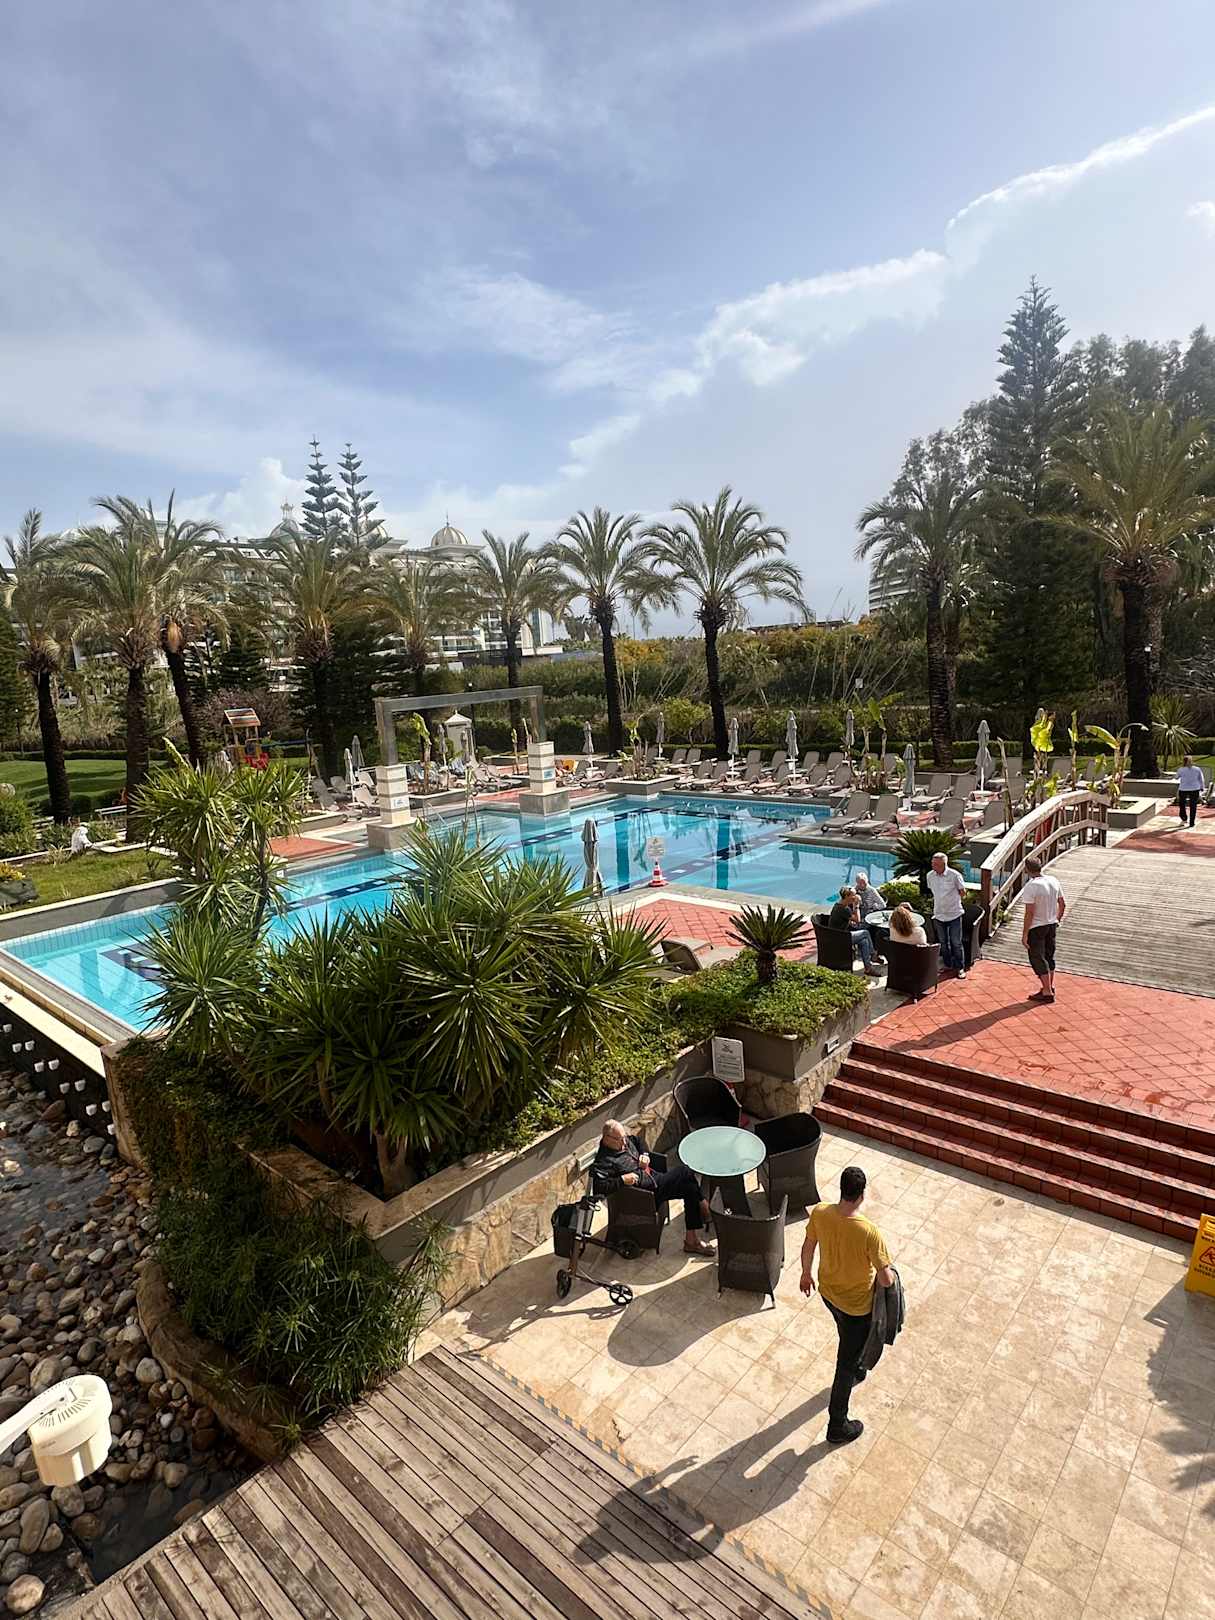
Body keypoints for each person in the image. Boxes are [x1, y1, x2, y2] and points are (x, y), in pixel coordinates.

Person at [799, 1166, 894, 1446]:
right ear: (862, 1194)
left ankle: (857, 1365)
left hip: (829, 1294)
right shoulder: (869, 1232)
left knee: (848, 1337)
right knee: (845, 1364)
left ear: (842, 1189)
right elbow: (886, 1280)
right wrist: (890, 1273)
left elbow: (808, 1245)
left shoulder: (820, 1213)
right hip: (857, 1307)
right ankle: (837, 1425)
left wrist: (805, 1273)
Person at [591, 1120, 715, 1256]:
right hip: (646, 1196)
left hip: (654, 1178)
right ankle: (704, 1207)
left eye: (624, 1137)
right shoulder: (604, 1161)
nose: (625, 1142)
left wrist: (645, 1155)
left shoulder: (625, 1140)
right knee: (685, 1171)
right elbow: (599, 1187)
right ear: (607, 1138)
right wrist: (622, 1180)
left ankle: (691, 1240)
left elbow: (638, 1140)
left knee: (689, 1188)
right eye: (620, 1139)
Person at [1019, 855, 1065, 1002]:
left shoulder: (1031, 886)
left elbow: (1029, 912)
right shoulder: (1053, 880)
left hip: (1037, 926)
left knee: (1037, 958)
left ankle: (1047, 992)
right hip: (1051, 924)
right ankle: (1049, 987)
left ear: (1027, 869)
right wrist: (1057, 919)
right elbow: (1062, 904)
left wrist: (1025, 934)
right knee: (1049, 956)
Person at [926, 852, 967, 979]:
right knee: (943, 942)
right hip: (939, 914)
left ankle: (960, 967)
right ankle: (948, 964)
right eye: (932, 863)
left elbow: (963, 892)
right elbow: (932, 891)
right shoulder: (930, 876)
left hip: (954, 914)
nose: (933, 866)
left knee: (956, 942)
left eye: (936, 864)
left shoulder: (954, 875)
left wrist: (952, 901)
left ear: (943, 864)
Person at [828, 887, 883, 977]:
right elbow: (858, 920)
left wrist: (851, 917)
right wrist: (857, 905)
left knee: (864, 941)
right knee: (865, 932)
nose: (855, 896)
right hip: (840, 938)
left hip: (838, 935)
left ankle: (868, 968)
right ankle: (873, 954)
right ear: (847, 896)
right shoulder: (843, 908)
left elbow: (850, 917)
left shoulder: (839, 905)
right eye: (853, 895)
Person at [854, 872, 887, 960]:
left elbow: (883, 905)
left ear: (867, 881)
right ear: (857, 883)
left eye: (864, 883)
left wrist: (874, 907)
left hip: (870, 916)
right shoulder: (854, 891)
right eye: (860, 883)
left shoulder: (872, 891)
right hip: (857, 917)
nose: (862, 885)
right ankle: (865, 952)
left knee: (874, 929)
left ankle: (870, 952)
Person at [1177, 755, 1206, 828]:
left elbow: (1177, 777)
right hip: (1190, 788)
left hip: (1187, 789)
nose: (1190, 762)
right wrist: (1202, 787)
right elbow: (1201, 779)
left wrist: (1202, 787)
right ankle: (1188, 820)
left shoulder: (1182, 769)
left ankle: (1187, 820)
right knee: (1189, 805)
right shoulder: (1196, 769)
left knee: (1185, 805)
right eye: (1189, 761)